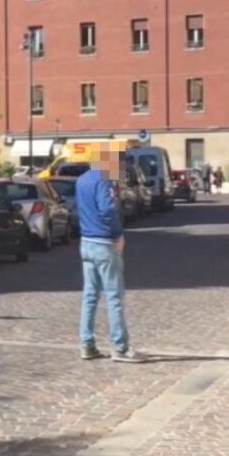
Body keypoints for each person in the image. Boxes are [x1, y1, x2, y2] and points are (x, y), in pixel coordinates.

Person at [75, 143, 148, 363]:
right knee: (114, 296)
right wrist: (118, 234)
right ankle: (120, 347)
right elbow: (107, 209)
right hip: (104, 242)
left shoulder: (81, 180)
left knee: (90, 295)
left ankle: (87, 344)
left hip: (86, 241)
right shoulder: (103, 180)